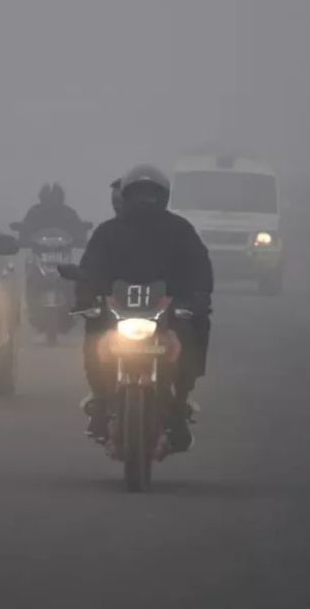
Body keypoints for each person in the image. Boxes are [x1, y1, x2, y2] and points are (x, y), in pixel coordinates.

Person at [77, 165, 213, 452]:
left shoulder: (180, 230)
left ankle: (180, 401)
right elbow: (90, 269)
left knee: (197, 325)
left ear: (163, 197)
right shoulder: (108, 233)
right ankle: (101, 399)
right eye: (139, 194)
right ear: (127, 196)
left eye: (152, 194)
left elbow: (200, 267)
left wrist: (197, 298)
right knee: (94, 329)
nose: (146, 201)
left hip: (168, 313)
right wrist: (88, 299)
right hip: (119, 311)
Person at [18, 182, 89, 247]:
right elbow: (26, 227)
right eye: (48, 198)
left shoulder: (68, 212)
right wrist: (21, 227)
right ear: (42, 197)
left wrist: (82, 228)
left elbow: (77, 227)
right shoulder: (34, 211)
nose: (51, 201)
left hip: (66, 248)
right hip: (37, 248)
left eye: (54, 198)